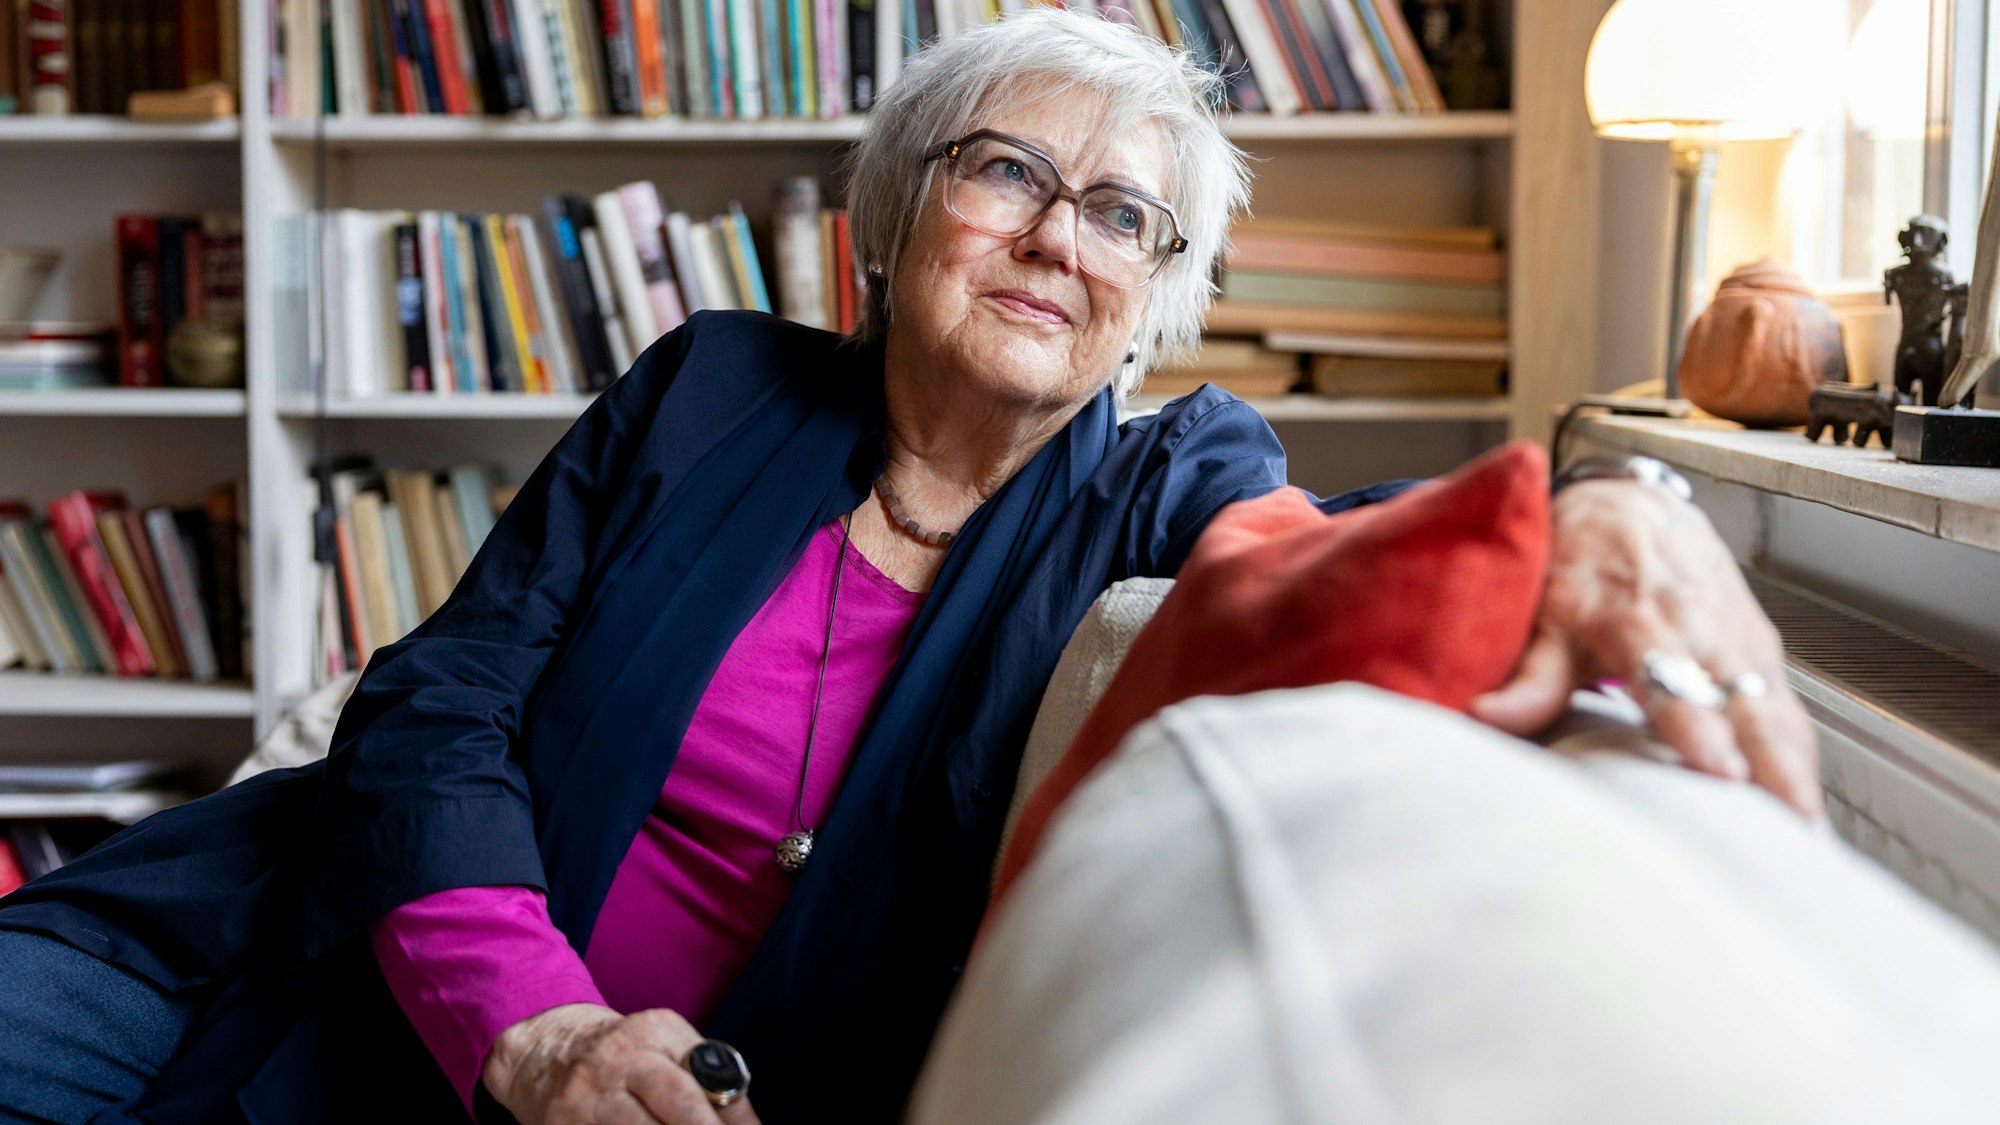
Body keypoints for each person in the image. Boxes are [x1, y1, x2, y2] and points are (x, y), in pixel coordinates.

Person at [0, 10, 1818, 1124]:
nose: (1055, 234)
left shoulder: (1167, 478)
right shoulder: (713, 388)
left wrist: (1622, 509)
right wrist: (535, 1022)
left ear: (1148, 299)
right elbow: (439, 703)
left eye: (1121, 215)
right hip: (320, 938)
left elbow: (1332, 572)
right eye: (1007, 171)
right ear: (890, 218)